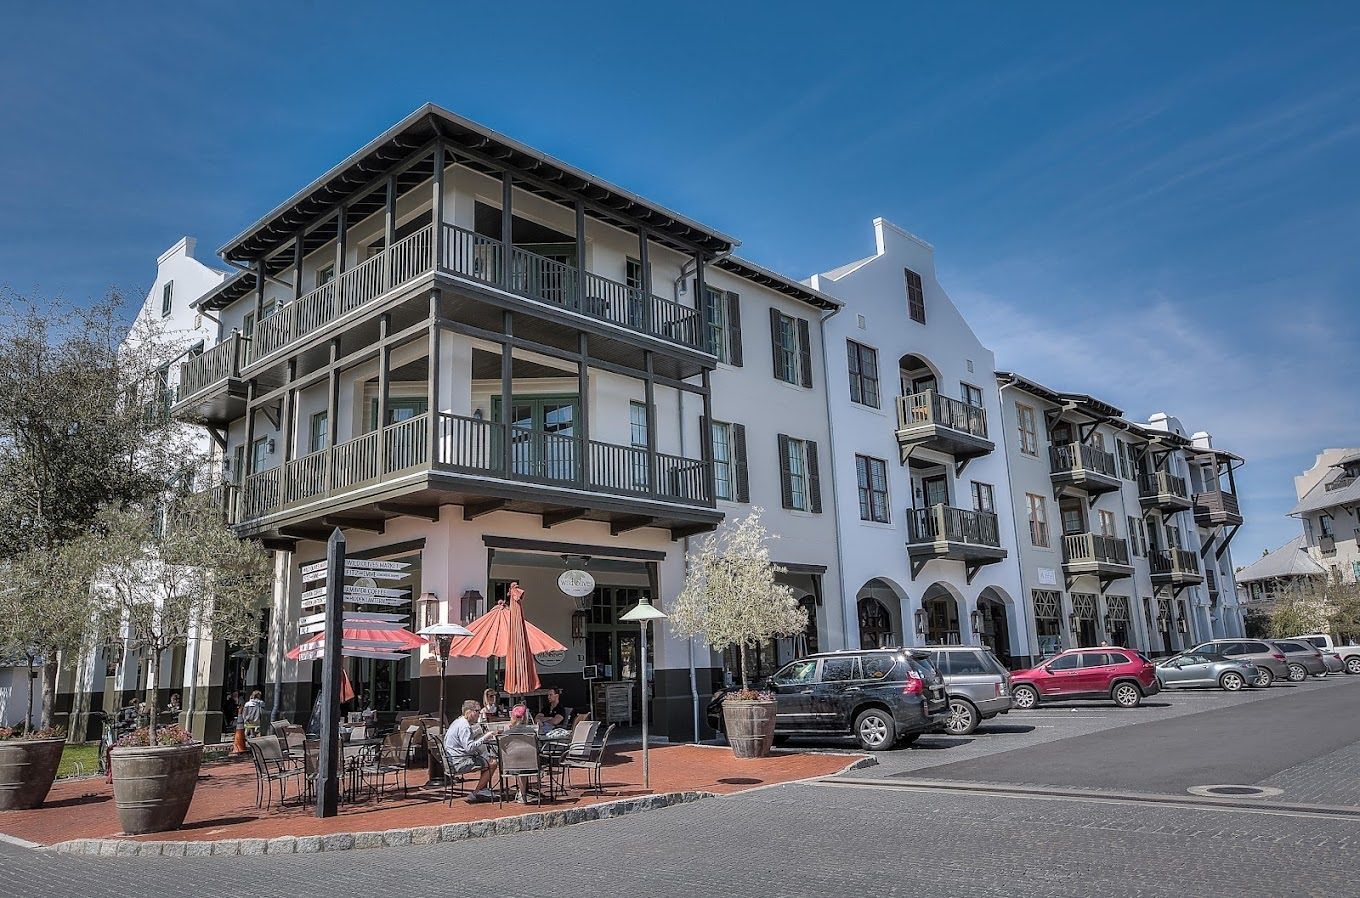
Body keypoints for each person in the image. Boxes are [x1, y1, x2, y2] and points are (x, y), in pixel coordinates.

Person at [444, 700, 498, 802]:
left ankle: (483, 789)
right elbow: (469, 748)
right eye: (477, 711)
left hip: (453, 759)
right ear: (469, 712)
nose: (479, 714)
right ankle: (476, 792)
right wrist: (485, 737)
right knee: (493, 763)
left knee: (485, 758)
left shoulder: (457, 722)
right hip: (459, 762)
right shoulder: (464, 726)